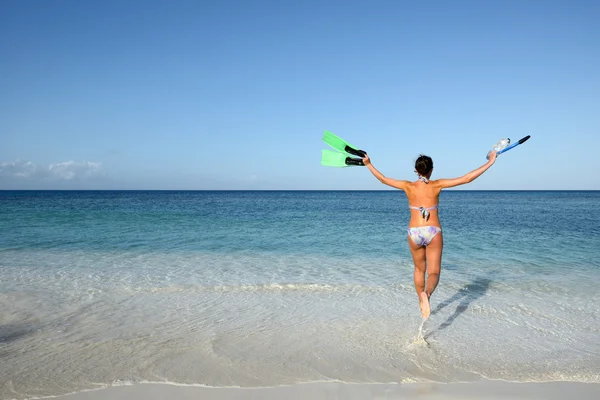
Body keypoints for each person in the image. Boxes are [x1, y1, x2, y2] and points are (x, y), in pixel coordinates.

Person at [362, 151, 497, 319]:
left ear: (416, 170)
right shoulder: (436, 185)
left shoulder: (408, 186)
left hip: (414, 232)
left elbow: (383, 179)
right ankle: (427, 294)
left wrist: (368, 164)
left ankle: (421, 300)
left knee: (419, 269)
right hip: (433, 231)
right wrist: (490, 162)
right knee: (433, 273)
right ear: (431, 170)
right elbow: (467, 178)